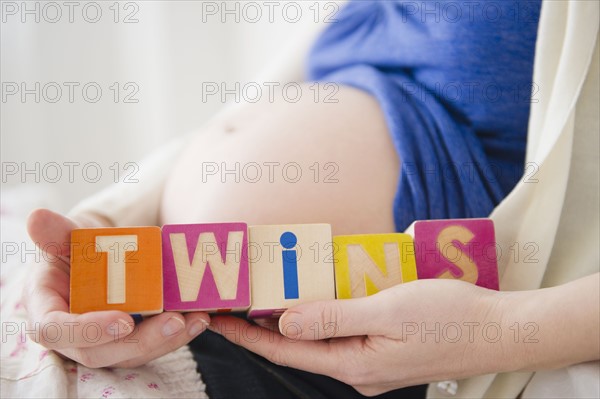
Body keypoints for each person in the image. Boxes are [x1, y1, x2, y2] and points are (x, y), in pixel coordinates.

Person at [20, 1, 599, 398]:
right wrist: (101, 228)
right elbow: (273, 97)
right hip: (184, 306)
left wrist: (502, 330)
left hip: (369, 353)